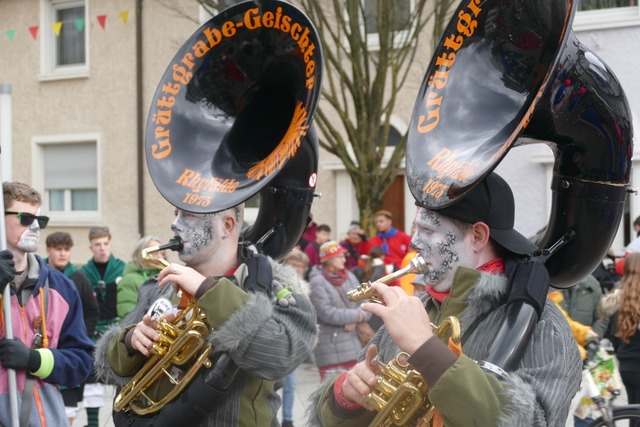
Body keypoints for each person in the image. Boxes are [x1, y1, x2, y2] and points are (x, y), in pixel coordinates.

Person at [308, 172, 581, 426]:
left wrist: (426, 349)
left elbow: (534, 421)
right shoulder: (417, 308)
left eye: (427, 231)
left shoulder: (544, 324)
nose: (414, 241)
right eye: (415, 229)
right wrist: (344, 398)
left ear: (478, 236)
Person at [95, 205, 317, 426]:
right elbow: (109, 366)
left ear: (227, 226)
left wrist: (206, 290)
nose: (175, 224)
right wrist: (130, 340)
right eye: (176, 214)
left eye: (189, 215)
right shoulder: (157, 287)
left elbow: (279, 357)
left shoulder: (276, 292)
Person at [0, 181, 94, 426]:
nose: (34, 226)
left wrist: (35, 360)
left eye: (39, 220)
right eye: (25, 217)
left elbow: (82, 362)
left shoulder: (61, 287)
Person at [45, 231, 99, 425]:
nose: (62, 254)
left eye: (66, 250)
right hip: (44, 348)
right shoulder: (39, 274)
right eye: (58, 249)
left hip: (67, 349)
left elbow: (91, 312)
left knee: (68, 411)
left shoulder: (79, 278)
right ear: (48, 250)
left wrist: (82, 337)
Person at [80, 226, 126, 427]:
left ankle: (124, 422)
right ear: (90, 246)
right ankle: (92, 424)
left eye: (105, 243)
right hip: (92, 331)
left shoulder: (122, 269)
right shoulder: (84, 274)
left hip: (117, 328)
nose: (102, 248)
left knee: (123, 380)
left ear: (110, 243)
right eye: (97, 244)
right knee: (93, 383)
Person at [308, 241, 372, 381]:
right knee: (332, 394)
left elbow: (365, 301)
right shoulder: (317, 281)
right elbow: (326, 312)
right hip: (330, 347)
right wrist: (356, 316)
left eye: (344, 256)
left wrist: (358, 317)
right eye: (340, 256)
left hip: (355, 344)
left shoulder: (350, 276)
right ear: (328, 260)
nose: (344, 259)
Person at [601, 252, 640, 425]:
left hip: (626, 364)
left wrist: (622, 353)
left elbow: (613, 334)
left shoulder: (618, 298)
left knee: (633, 412)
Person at [280, 249, 311, 427]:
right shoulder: (278, 282)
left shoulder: (303, 287)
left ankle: (287, 419)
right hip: (280, 337)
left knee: (290, 384)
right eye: (293, 265)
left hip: (295, 340)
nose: (297, 269)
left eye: (300, 266)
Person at [117, 235, 165, 320]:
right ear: (141, 254)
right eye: (154, 252)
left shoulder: (165, 279)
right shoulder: (130, 280)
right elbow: (127, 317)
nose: (159, 257)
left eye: (162, 253)